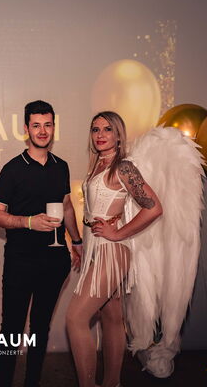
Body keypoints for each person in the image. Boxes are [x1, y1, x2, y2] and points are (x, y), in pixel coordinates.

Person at [66, 111, 163, 387]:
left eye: (107, 129)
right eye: (95, 129)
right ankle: (112, 383)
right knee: (111, 317)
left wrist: (118, 232)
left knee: (75, 318)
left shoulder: (124, 167)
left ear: (118, 135)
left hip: (111, 251)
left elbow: (154, 208)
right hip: (95, 248)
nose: (100, 135)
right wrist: (82, 245)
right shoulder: (98, 163)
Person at [0, 100, 82, 387]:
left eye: (47, 125)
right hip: (20, 261)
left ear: (54, 127)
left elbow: (67, 206)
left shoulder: (61, 167)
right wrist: (29, 222)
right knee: (12, 329)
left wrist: (77, 241)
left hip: (55, 261)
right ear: (26, 129)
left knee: (41, 328)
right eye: (36, 125)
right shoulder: (13, 169)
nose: (42, 131)